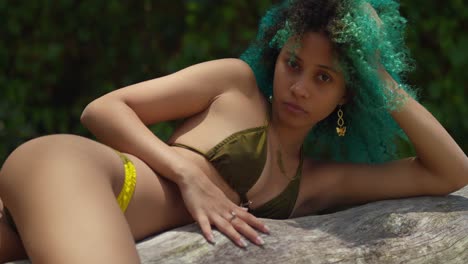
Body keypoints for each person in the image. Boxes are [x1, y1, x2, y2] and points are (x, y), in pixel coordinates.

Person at [1, 0, 467, 262]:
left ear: (347, 96)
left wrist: (377, 72)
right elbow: (103, 109)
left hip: (66, 220)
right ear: (277, 56)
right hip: (77, 173)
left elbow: (451, 172)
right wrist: (188, 178)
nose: (300, 87)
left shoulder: (317, 182)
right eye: (293, 64)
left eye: (324, 78)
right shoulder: (235, 86)